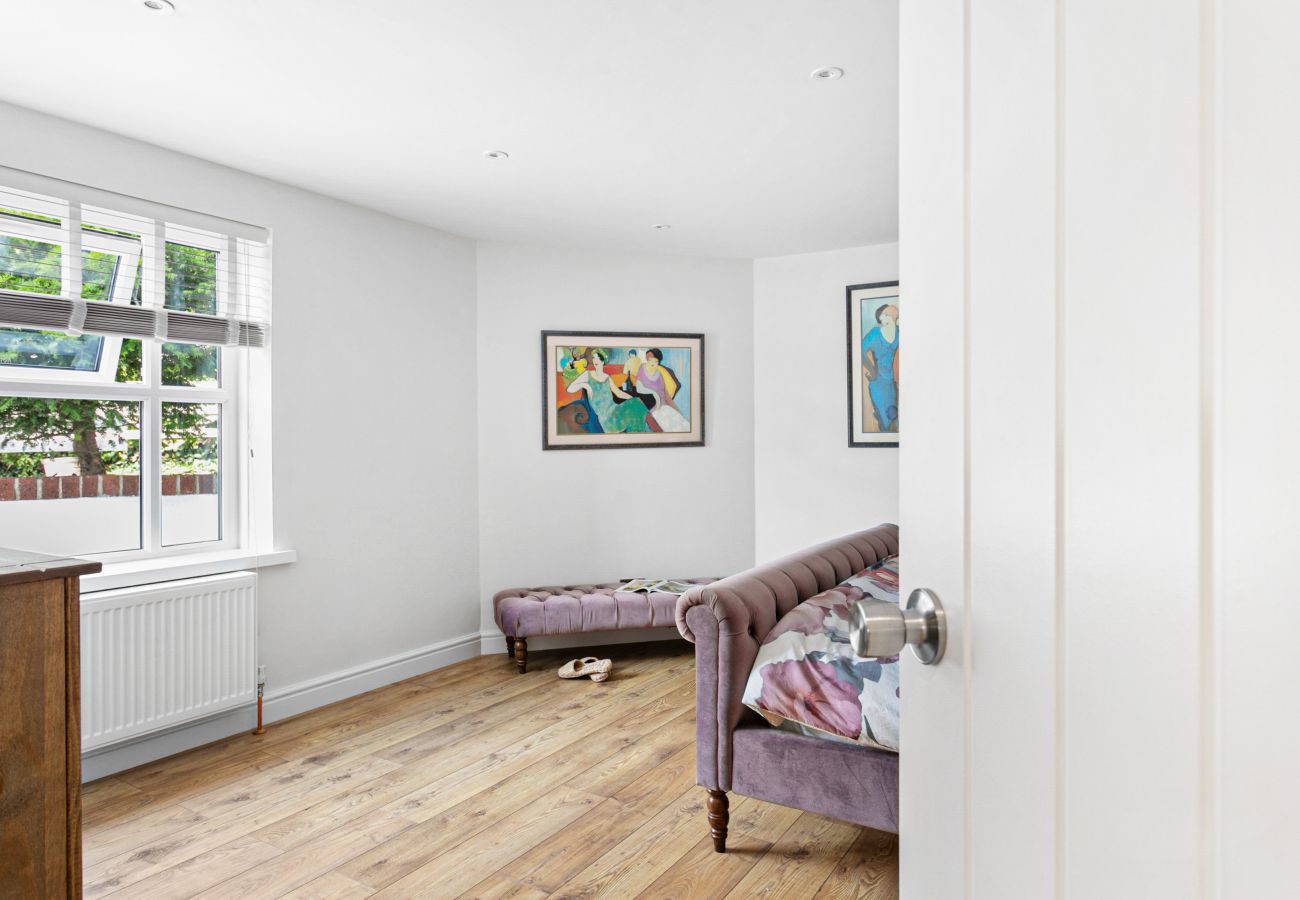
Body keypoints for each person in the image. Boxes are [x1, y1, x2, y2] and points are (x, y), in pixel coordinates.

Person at [565, 348, 651, 433]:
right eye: (594, 358)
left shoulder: (607, 377)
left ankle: (636, 434)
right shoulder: (588, 374)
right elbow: (570, 389)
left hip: (615, 410)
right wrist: (585, 385)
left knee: (637, 404)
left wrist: (633, 398)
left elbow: (618, 392)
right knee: (635, 412)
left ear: (603, 361)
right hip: (605, 419)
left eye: (598, 358)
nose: (595, 360)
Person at [632, 348, 690, 432]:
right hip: (650, 406)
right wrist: (653, 393)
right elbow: (638, 388)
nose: (649, 360)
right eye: (647, 358)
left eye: (652, 359)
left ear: (657, 361)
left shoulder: (659, 375)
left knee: (679, 422)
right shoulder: (642, 368)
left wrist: (678, 411)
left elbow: (666, 395)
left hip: (662, 406)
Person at [862, 303, 899, 432]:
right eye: (886, 312)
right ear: (883, 317)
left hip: (890, 383)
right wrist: (871, 370)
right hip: (877, 383)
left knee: (893, 417)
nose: (891, 308)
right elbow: (858, 350)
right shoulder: (875, 333)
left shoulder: (899, 332)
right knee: (884, 420)